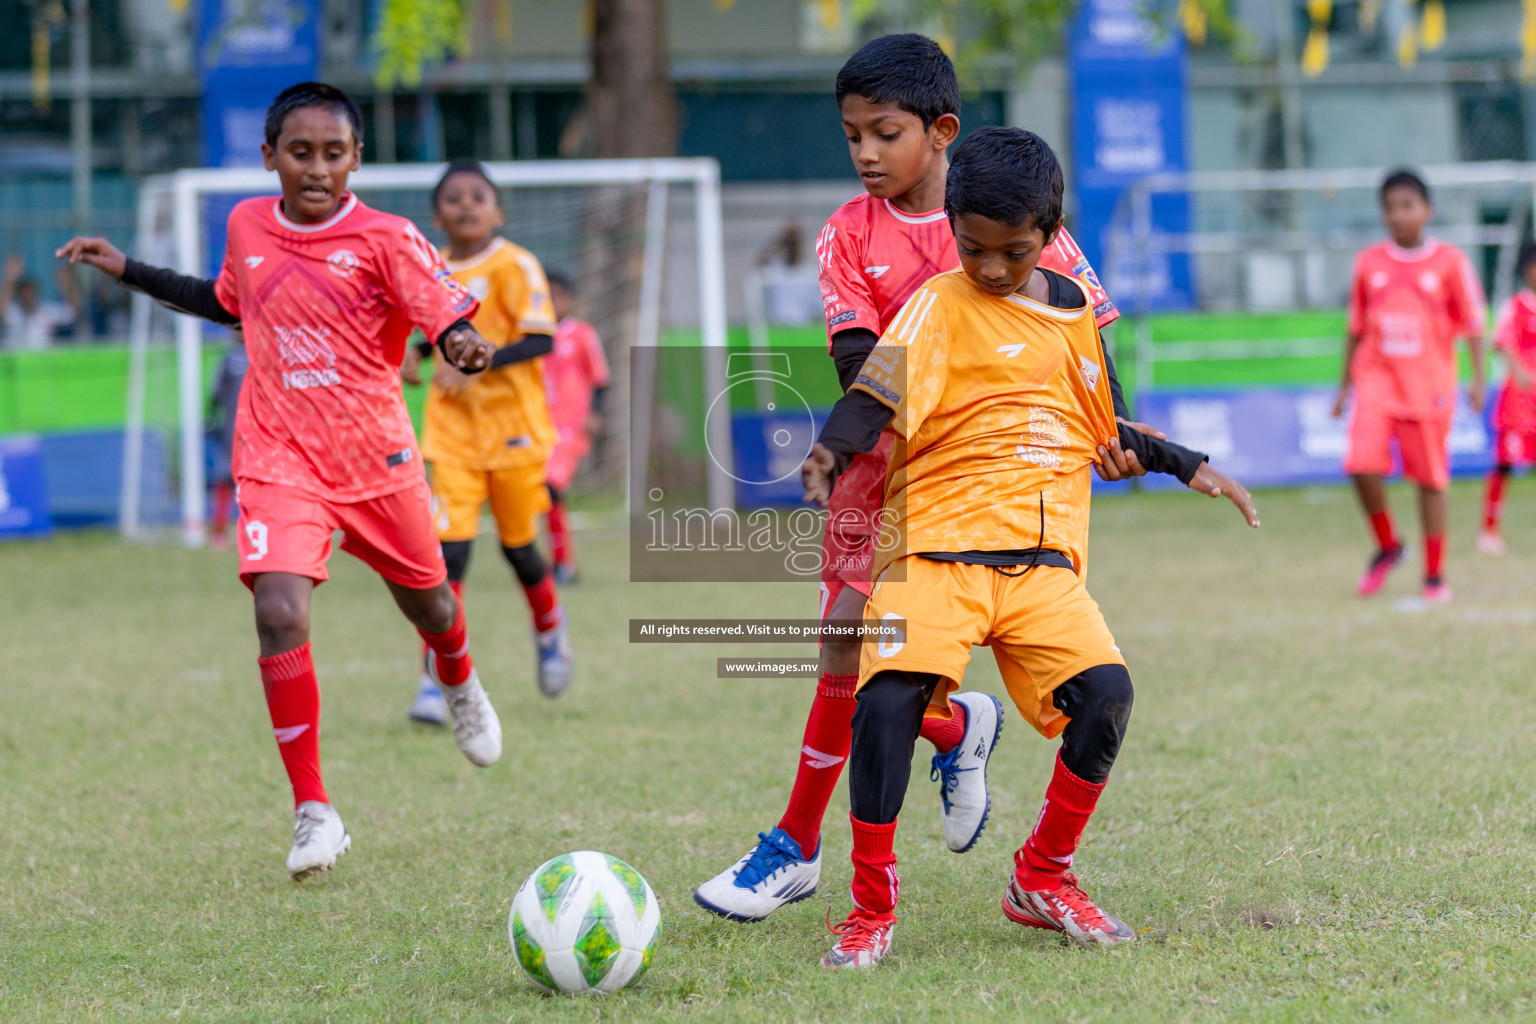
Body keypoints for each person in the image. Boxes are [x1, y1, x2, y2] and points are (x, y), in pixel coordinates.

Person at [694, 33, 1240, 924]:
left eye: (885, 132)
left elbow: (1088, 333)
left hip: (1003, 497)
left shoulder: (1024, 218)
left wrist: (1112, 429)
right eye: (852, 137)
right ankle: (820, 831)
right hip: (888, 478)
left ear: (940, 130)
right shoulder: (846, 235)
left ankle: (824, 828)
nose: (866, 153)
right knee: (844, 640)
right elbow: (859, 365)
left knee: (885, 661)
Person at [803, 126, 1259, 969]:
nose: (993, 270)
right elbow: (876, 391)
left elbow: (1098, 425)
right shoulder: (936, 306)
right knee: (886, 706)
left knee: (1109, 697)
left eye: (1012, 252)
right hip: (935, 552)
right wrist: (832, 449)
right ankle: (869, 910)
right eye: (974, 249)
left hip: (1041, 561)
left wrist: (1187, 464)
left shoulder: (1074, 315)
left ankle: (1042, 877)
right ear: (953, 227)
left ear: (1051, 232)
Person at [56, 82, 504, 880]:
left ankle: (460, 679)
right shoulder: (246, 225)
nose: (318, 169)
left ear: (356, 158)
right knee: (278, 608)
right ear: (271, 158)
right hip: (278, 455)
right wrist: (127, 269)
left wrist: (462, 342)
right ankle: (314, 811)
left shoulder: (389, 237)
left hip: (376, 461)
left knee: (432, 602)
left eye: (334, 153)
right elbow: (223, 302)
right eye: (301, 153)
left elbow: (444, 313)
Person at [400, 158, 573, 723]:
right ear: (436, 215)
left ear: (497, 211)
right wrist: (413, 355)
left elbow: (540, 340)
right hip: (452, 437)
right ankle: (439, 682)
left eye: (478, 196)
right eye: (454, 198)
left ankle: (549, 628)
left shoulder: (516, 264)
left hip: (516, 434)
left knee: (519, 550)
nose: (466, 205)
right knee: (448, 559)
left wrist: (476, 366)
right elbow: (431, 334)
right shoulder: (432, 270)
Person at [1333, 169, 1487, 602]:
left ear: (1427, 210)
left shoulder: (1451, 263)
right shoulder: (1369, 263)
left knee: (1430, 482)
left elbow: (1474, 325)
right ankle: (1388, 545)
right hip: (1377, 381)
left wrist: (1478, 380)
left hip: (1429, 386)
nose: (1398, 216)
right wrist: (1343, 387)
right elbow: (1356, 328)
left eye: (1407, 206)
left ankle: (1435, 575)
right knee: (1360, 464)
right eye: (1390, 208)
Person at [541, 271, 610, 584]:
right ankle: (556, 562)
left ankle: (563, 564)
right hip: (534, 426)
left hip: (569, 426)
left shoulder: (581, 334)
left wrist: (595, 413)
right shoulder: (530, 335)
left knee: (551, 487)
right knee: (539, 495)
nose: (551, 303)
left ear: (569, 300)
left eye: (557, 297)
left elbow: (599, 378)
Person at [1478, 243, 1536, 556]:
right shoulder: (1515, 306)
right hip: (1520, 400)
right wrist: (1520, 370)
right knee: (1504, 464)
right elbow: (1498, 341)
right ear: (1528, 270)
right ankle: (1489, 530)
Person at [207, 330, 249, 549]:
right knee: (225, 478)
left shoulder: (263, 353)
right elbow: (216, 395)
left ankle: (254, 531)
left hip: (260, 431)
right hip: (231, 431)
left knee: (255, 483)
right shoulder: (230, 359)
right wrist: (212, 418)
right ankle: (219, 530)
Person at [2, 256, 81, 350]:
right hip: (16, 362)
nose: (27, 297)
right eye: (24, 294)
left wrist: (67, 284)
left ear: (37, 294)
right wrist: (10, 280)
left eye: (30, 294)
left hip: (42, 361)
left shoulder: (47, 313)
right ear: (18, 295)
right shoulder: (13, 313)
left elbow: (73, 311)